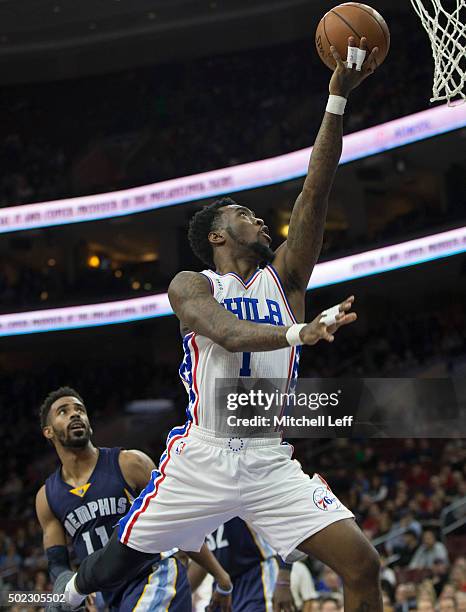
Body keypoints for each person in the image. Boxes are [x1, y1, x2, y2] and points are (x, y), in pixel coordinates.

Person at [55, 38, 383, 612]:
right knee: (115, 563)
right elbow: (227, 333)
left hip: (266, 457)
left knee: (363, 565)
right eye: (243, 215)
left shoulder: (287, 278)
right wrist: (296, 335)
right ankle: (66, 590)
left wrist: (336, 102)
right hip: (202, 455)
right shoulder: (192, 285)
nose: (258, 219)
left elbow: (316, 189)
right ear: (216, 236)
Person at [37, 387, 232, 611]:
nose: (75, 414)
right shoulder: (47, 497)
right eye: (63, 411)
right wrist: (68, 585)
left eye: (80, 410)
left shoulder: (130, 463)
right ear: (48, 432)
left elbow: (179, 524)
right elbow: (57, 563)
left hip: (154, 575)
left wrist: (221, 577)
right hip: (112, 597)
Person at [189, 516, 316, 611]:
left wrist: (284, 579)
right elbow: (203, 559)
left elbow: (283, 527)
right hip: (223, 584)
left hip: (257, 574)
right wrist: (179, 592)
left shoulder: (235, 485)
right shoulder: (200, 502)